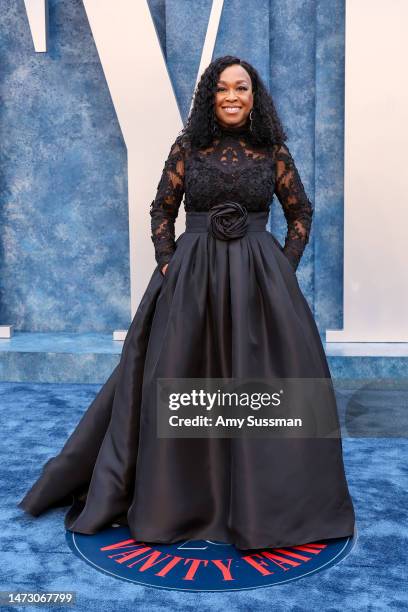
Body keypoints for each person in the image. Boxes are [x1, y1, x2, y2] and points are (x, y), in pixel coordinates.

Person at [18, 56, 355, 550]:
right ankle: (183, 501)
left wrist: (283, 265)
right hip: (191, 278)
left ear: (254, 96)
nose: (233, 97)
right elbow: (162, 207)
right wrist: (167, 258)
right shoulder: (189, 147)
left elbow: (300, 209)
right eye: (222, 89)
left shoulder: (271, 150)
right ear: (209, 97)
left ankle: (268, 504)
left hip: (259, 279)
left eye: (242, 88)